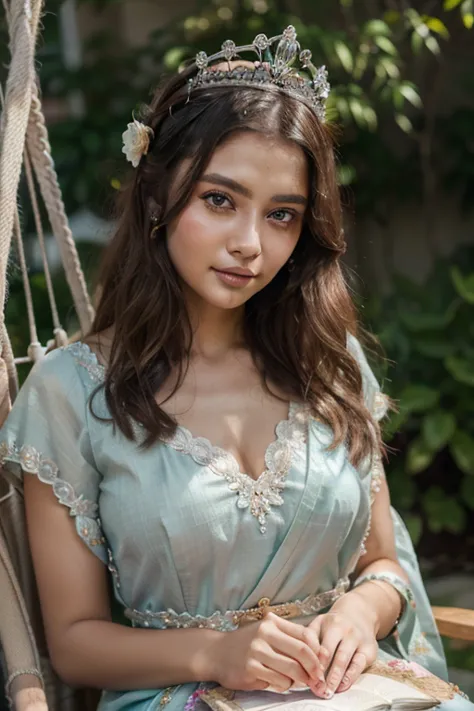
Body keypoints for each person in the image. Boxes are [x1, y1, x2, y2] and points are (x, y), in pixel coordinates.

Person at [0, 25, 471, 711]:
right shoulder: (71, 394)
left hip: (352, 693)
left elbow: (382, 562)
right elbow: (73, 641)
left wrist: (359, 616)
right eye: (219, 200)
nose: (250, 244)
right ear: (159, 198)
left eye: (282, 215)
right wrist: (217, 651)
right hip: (178, 695)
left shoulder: (329, 363)